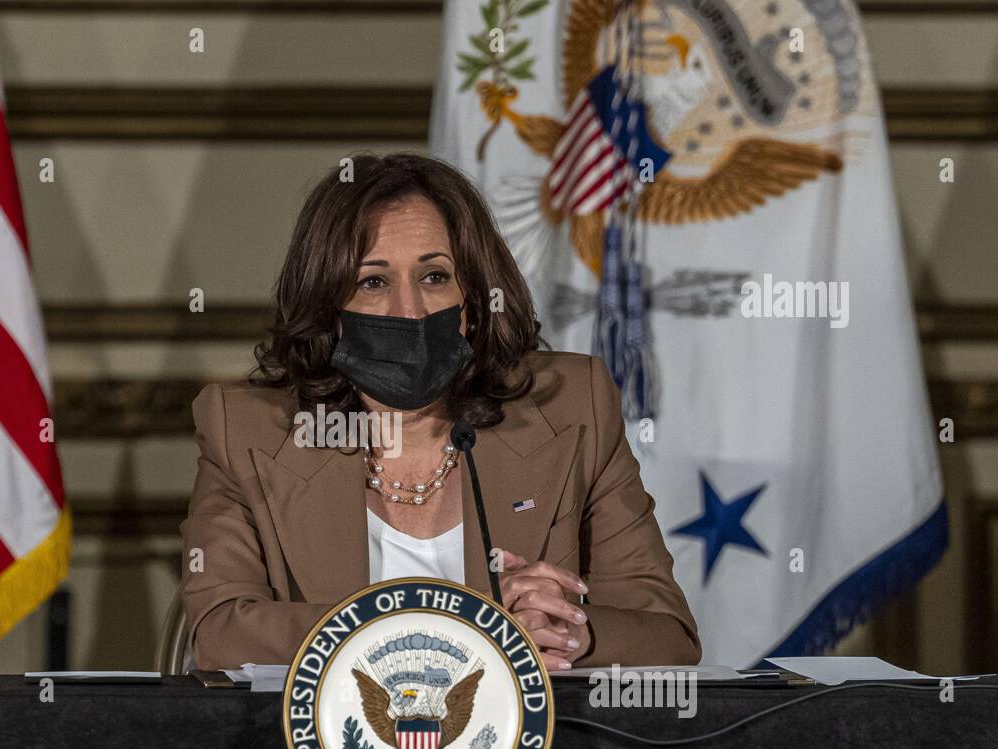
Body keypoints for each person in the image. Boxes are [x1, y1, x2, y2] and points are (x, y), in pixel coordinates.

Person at [179, 152, 698, 671]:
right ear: (327, 309)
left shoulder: (572, 406)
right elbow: (222, 633)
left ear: (472, 299)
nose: (410, 311)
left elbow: (668, 637)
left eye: (433, 277)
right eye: (373, 282)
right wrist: (454, 623)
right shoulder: (245, 429)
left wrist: (574, 635)